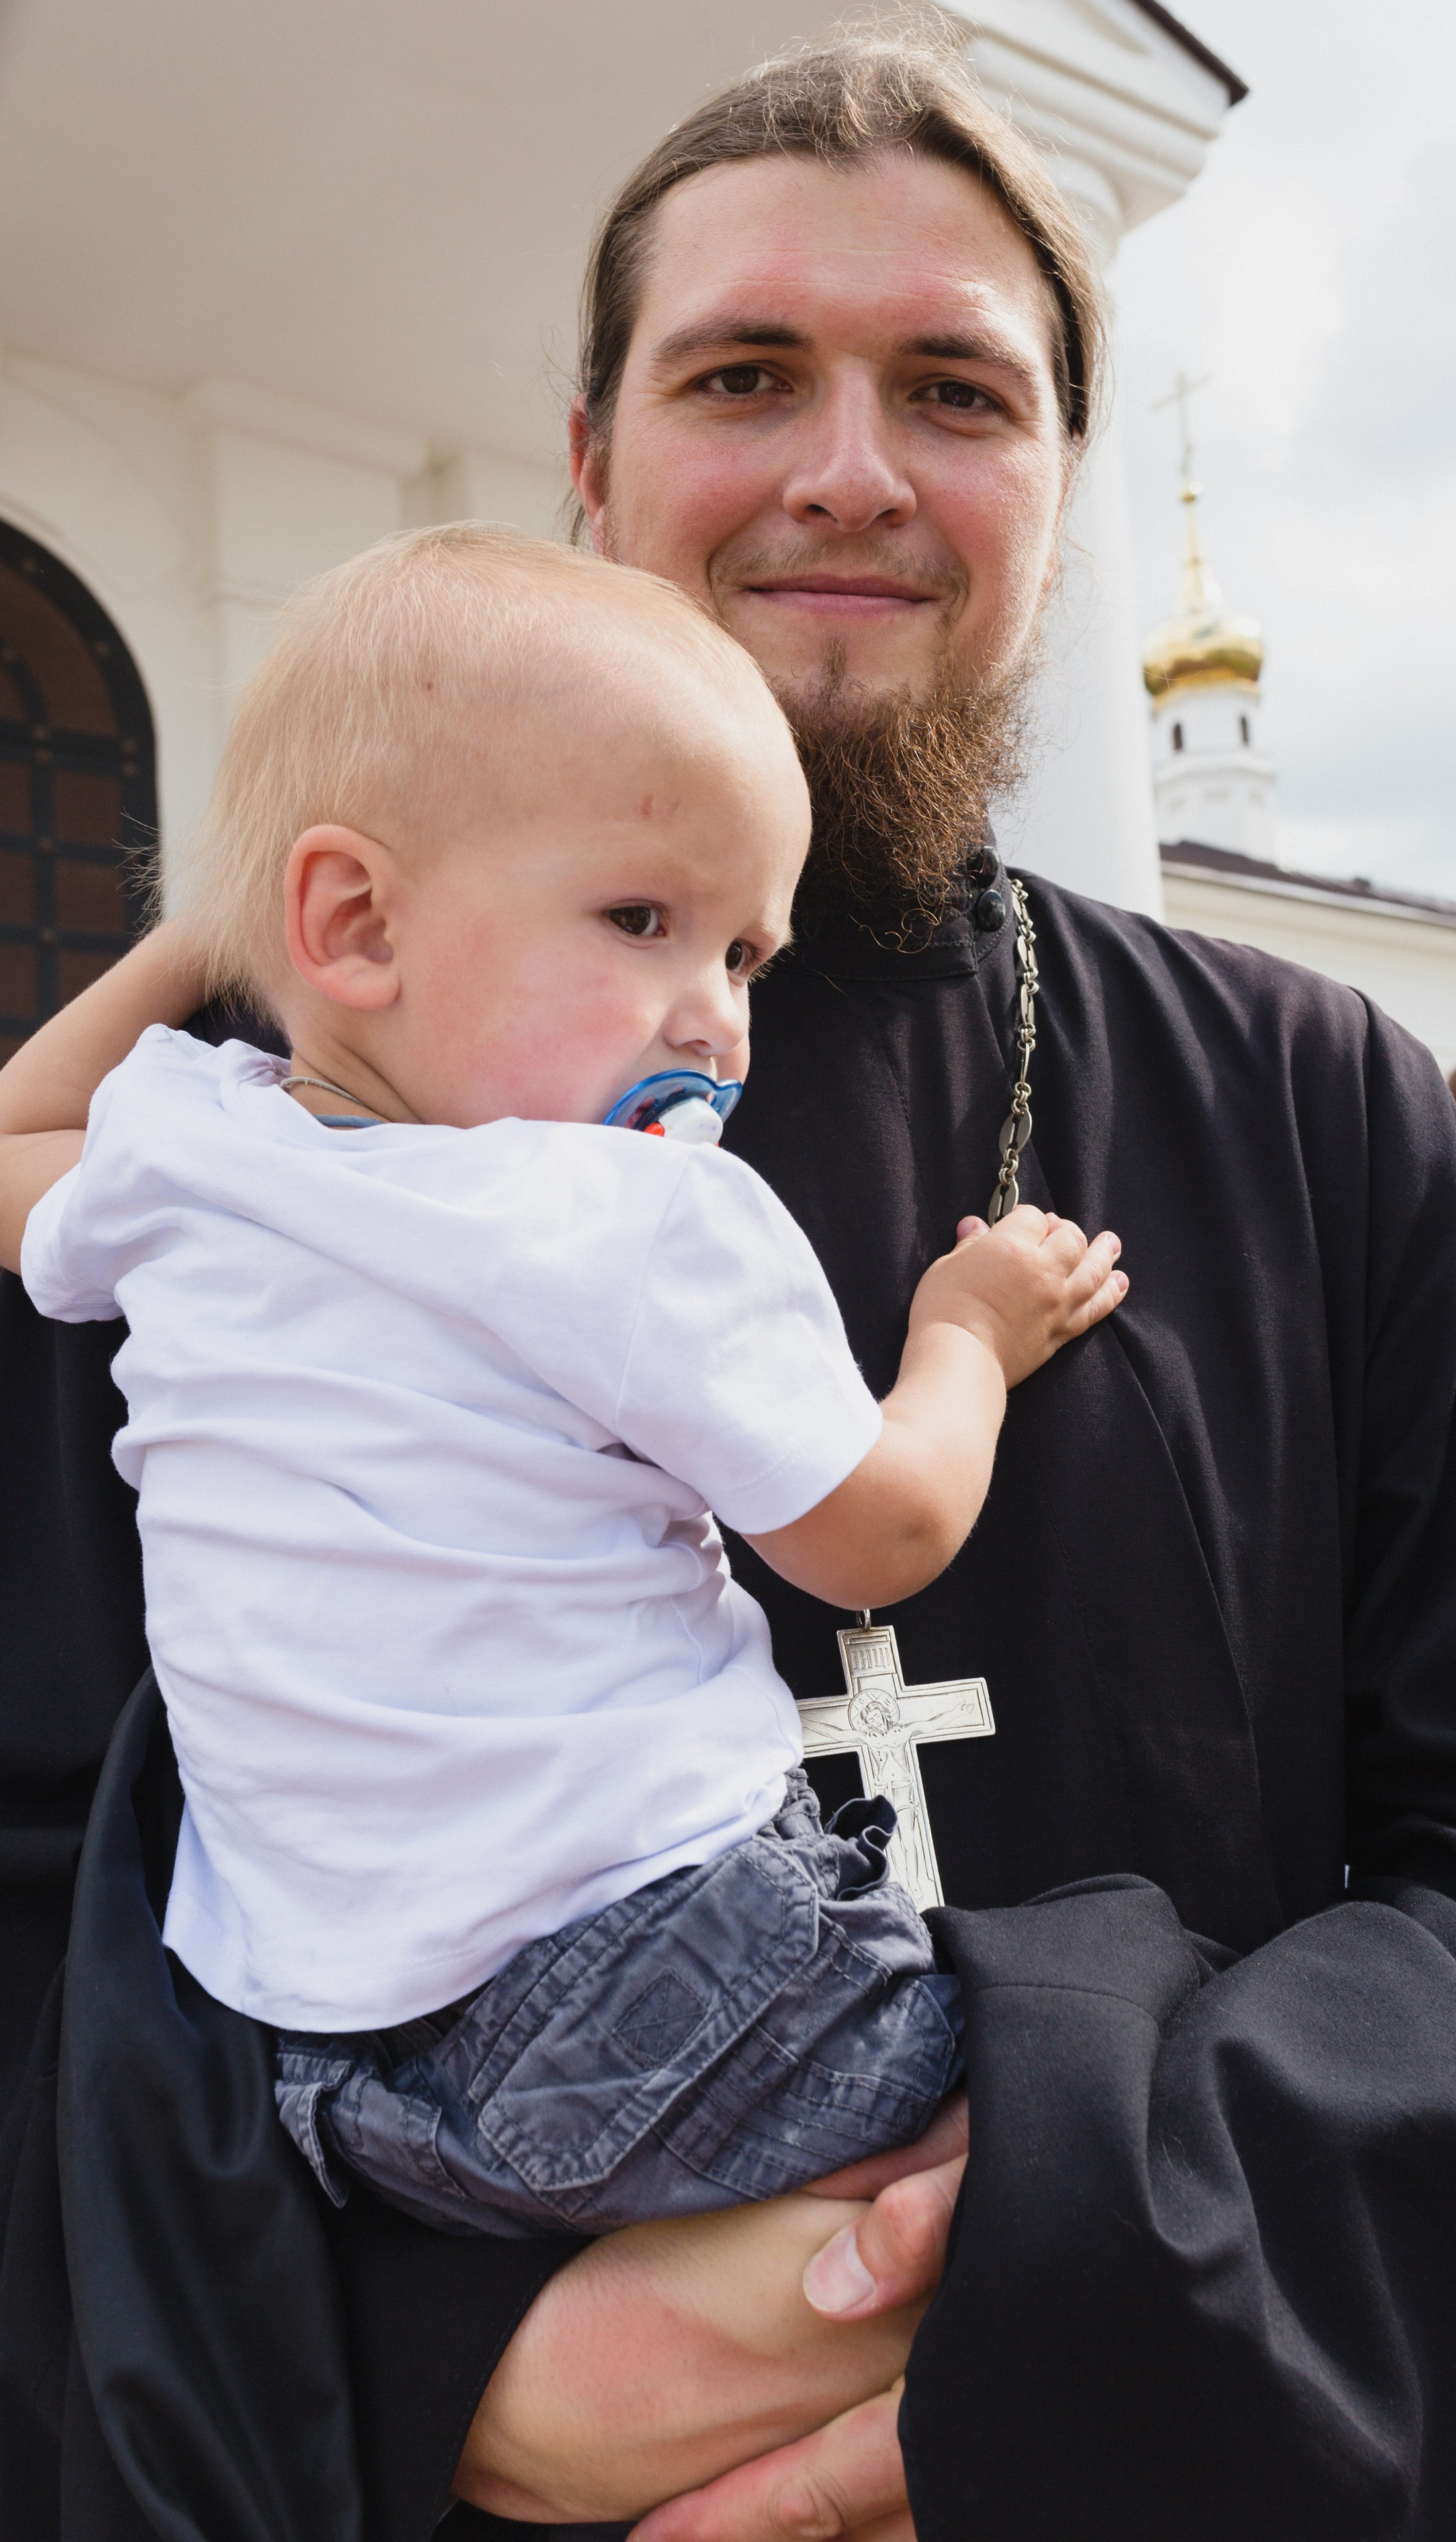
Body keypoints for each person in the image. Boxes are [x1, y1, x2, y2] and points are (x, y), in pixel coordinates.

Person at [6, 34, 1456, 2542]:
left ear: (1053, 488)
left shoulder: (1308, 1093)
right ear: (587, 458)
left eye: (950, 390)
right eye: (741, 375)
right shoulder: (289, 1132)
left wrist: (1092, 2261)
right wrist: (435, 2357)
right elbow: (45, 1862)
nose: (844, 467)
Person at [0, 526, 1124, 2241]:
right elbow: (877, 1533)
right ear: (353, 918)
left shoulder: (190, 1160)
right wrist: (968, 1333)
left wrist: (216, 939)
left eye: (748, 956)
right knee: (1116, 2079)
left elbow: (11, 1144)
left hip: (327, 2064)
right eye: (644, 921)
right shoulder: (628, 1209)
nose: (721, 1025)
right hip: (676, 1970)